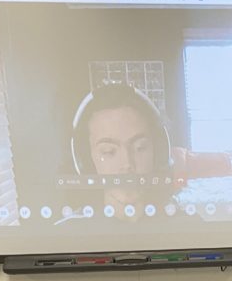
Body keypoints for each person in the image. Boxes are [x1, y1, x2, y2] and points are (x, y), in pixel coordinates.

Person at [70, 83, 173, 221]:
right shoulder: (63, 235)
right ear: (85, 160)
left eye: (140, 148)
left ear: (160, 152)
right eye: (109, 151)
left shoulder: (187, 225)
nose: (127, 164)